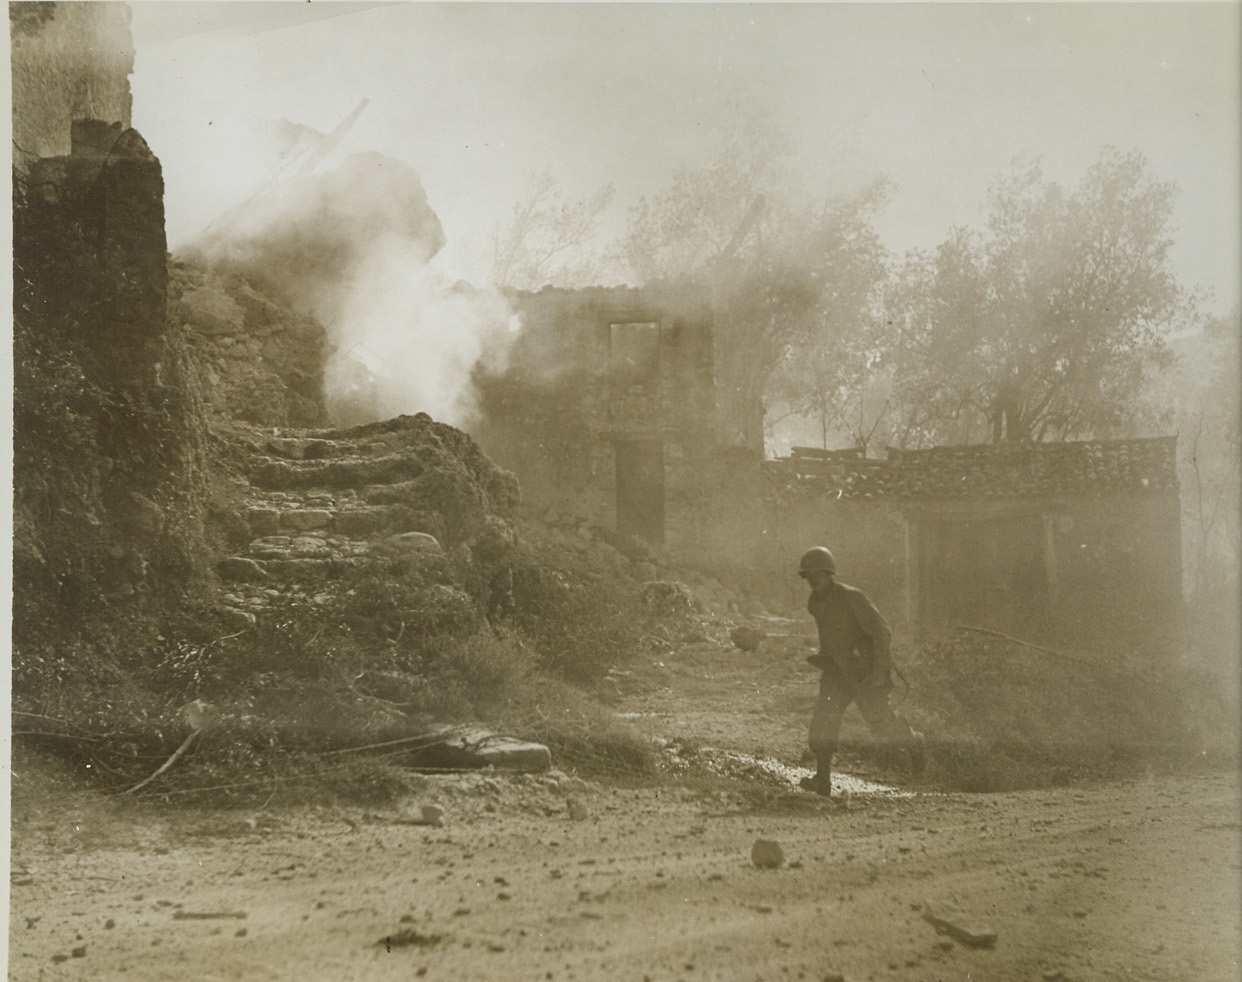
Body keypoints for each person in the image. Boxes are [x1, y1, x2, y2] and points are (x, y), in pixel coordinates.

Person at [797, 546, 925, 796]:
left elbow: (882, 633)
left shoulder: (851, 597)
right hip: (836, 671)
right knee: (824, 720)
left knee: (881, 723)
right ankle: (822, 779)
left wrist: (879, 672)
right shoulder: (815, 602)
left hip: (864, 671)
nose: (813, 580)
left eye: (817, 574)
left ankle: (915, 744)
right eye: (808, 575)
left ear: (829, 573)